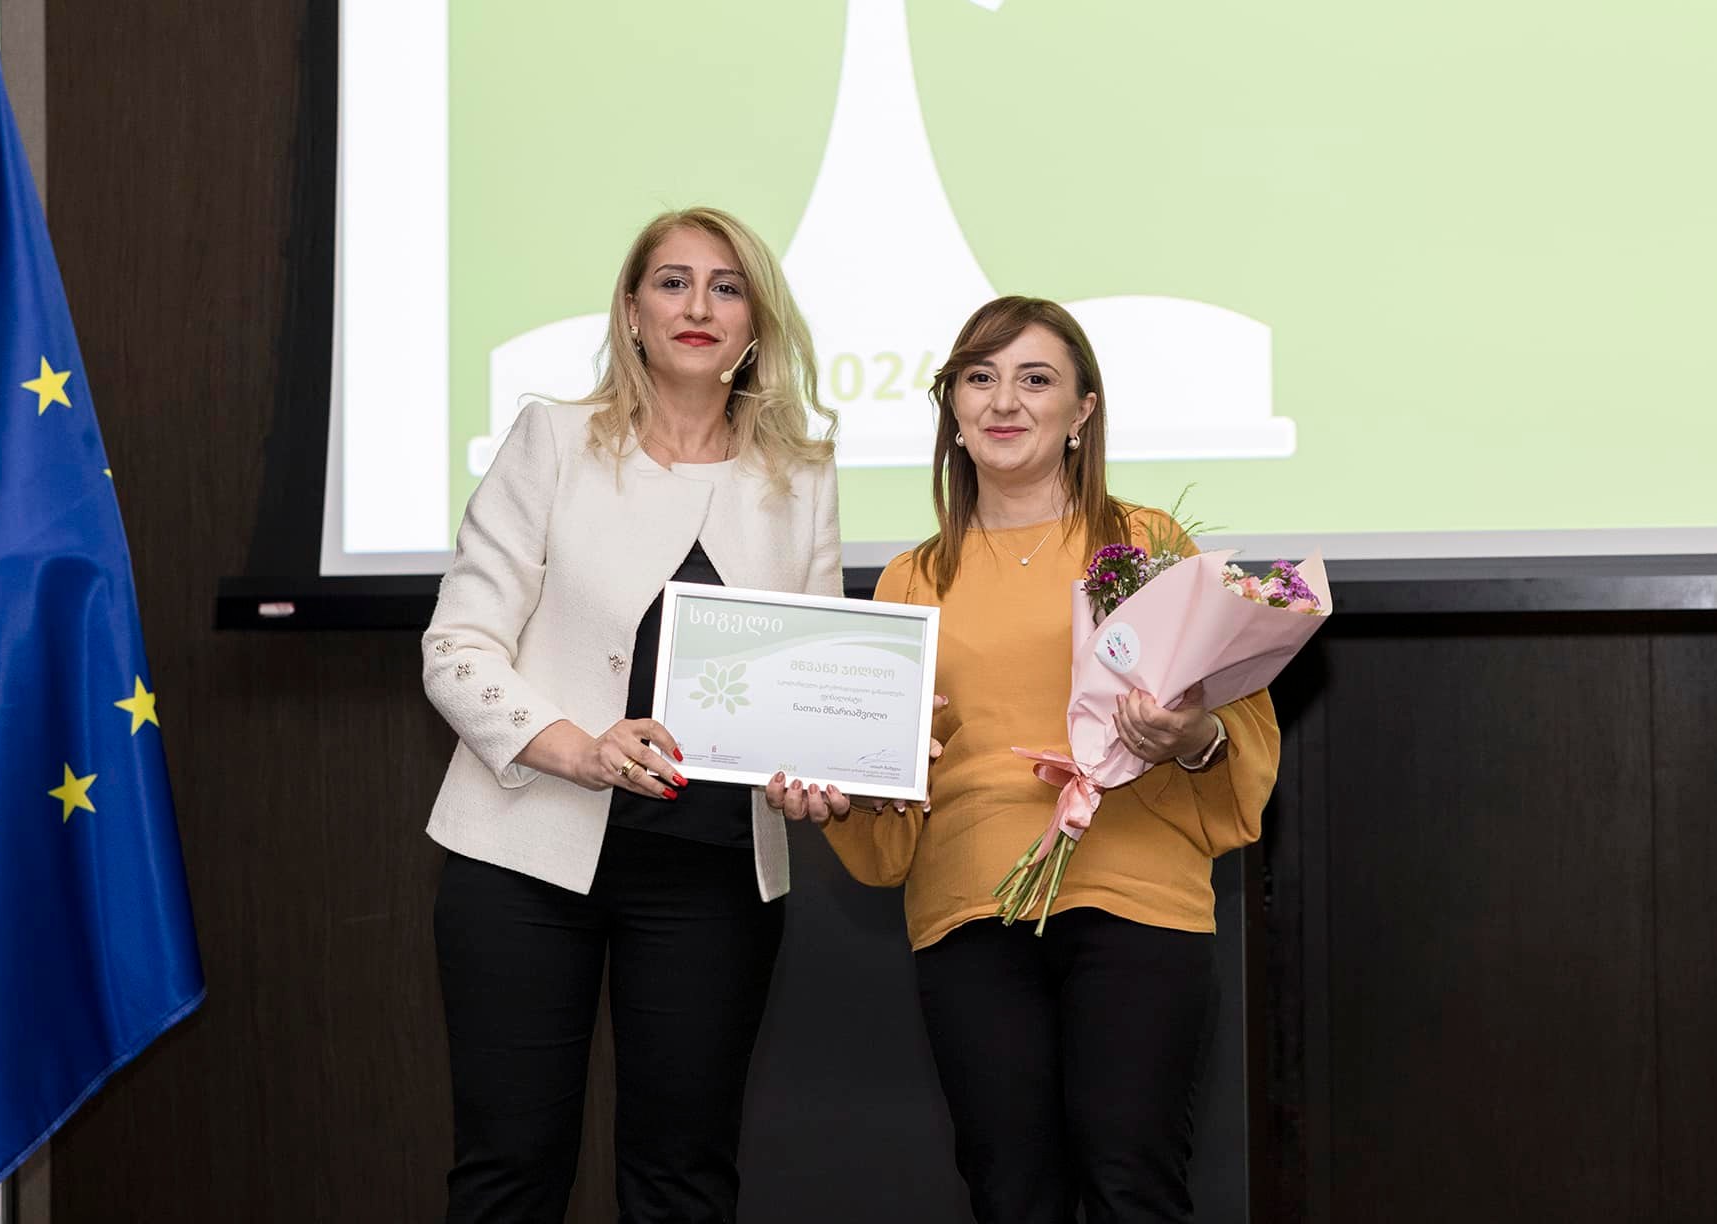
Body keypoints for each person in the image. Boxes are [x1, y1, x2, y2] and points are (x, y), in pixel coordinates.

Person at [793, 296, 1279, 1223]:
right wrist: (836, 786)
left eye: (1035, 379)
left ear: (1082, 410)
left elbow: (1231, 717)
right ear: (953, 407)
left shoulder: (1144, 545)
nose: (1004, 401)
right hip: (970, 908)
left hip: (1135, 894)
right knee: (1011, 1193)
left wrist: (1187, 738)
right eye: (980, 378)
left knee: (1132, 1179)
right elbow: (887, 775)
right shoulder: (909, 578)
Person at [421, 206, 842, 1223]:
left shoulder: (802, 474)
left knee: (683, 1178)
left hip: (713, 876)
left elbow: (813, 678)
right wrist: (579, 749)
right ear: (631, 311)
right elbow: (456, 648)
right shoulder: (553, 440)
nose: (699, 305)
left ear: (756, 323)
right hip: (523, 860)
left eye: (727, 287)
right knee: (510, 1169)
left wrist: (824, 767)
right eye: (673, 281)